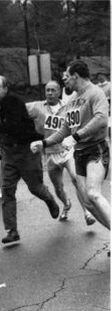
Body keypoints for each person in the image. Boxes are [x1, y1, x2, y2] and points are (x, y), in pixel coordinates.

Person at [30, 60, 110, 230]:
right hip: (79, 153)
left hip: (96, 148)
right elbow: (65, 129)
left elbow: (101, 119)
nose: (66, 80)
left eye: (68, 76)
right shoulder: (73, 100)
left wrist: (77, 136)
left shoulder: (95, 93)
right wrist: (43, 143)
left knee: (93, 194)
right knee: (88, 203)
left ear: (76, 76)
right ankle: (110, 230)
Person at [26, 80, 96, 225]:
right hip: (50, 154)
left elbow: (79, 124)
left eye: (53, 90)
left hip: (67, 150)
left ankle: (87, 213)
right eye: (47, 90)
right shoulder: (37, 107)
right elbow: (18, 110)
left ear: (59, 92)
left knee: (76, 179)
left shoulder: (68, 107)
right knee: (58, 187)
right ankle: (66, 203)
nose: (50, 93)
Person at [0, 75, 60, 244]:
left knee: (35, 188)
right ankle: (12, 230)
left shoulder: (14, 103)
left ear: (5, 88)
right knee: (7, 190)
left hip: (26, 150)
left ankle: (49, 199)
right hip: (8, 152)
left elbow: (13, 127)